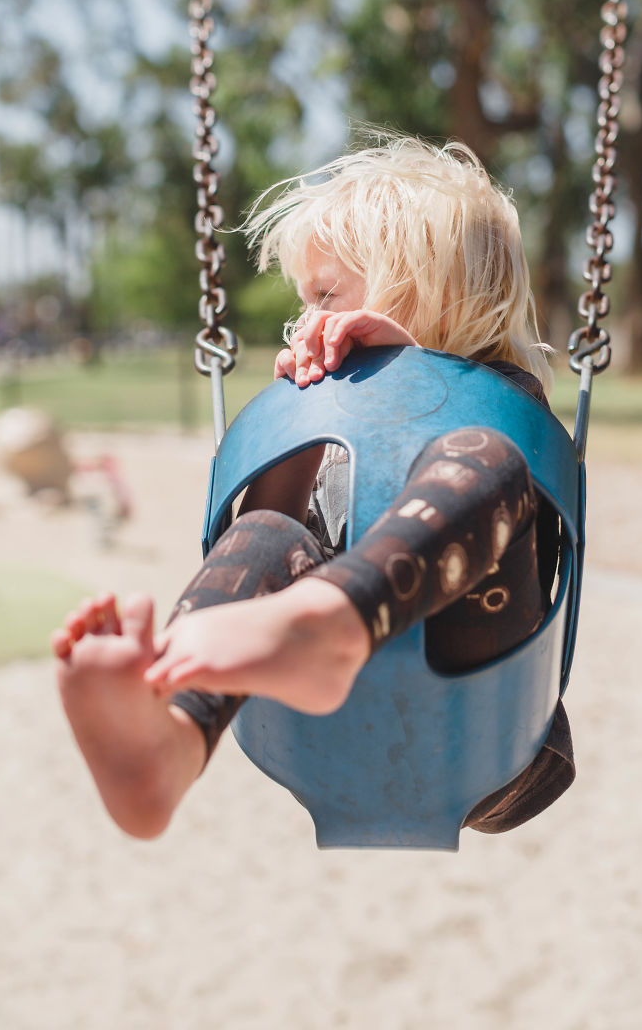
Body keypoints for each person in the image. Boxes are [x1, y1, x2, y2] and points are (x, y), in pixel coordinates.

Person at [52, 132, 575, 840]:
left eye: (324, 294)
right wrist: (300, 423)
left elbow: (498, 460)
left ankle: (334, 622)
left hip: (491, 729)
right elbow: (277, 525)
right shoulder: (325, 415)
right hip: (335, 717)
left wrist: (403, 367)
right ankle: (170, 738)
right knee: (264, 533)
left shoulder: (506, 408)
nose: (304, 321)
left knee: (487, 452)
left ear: (433, 295)